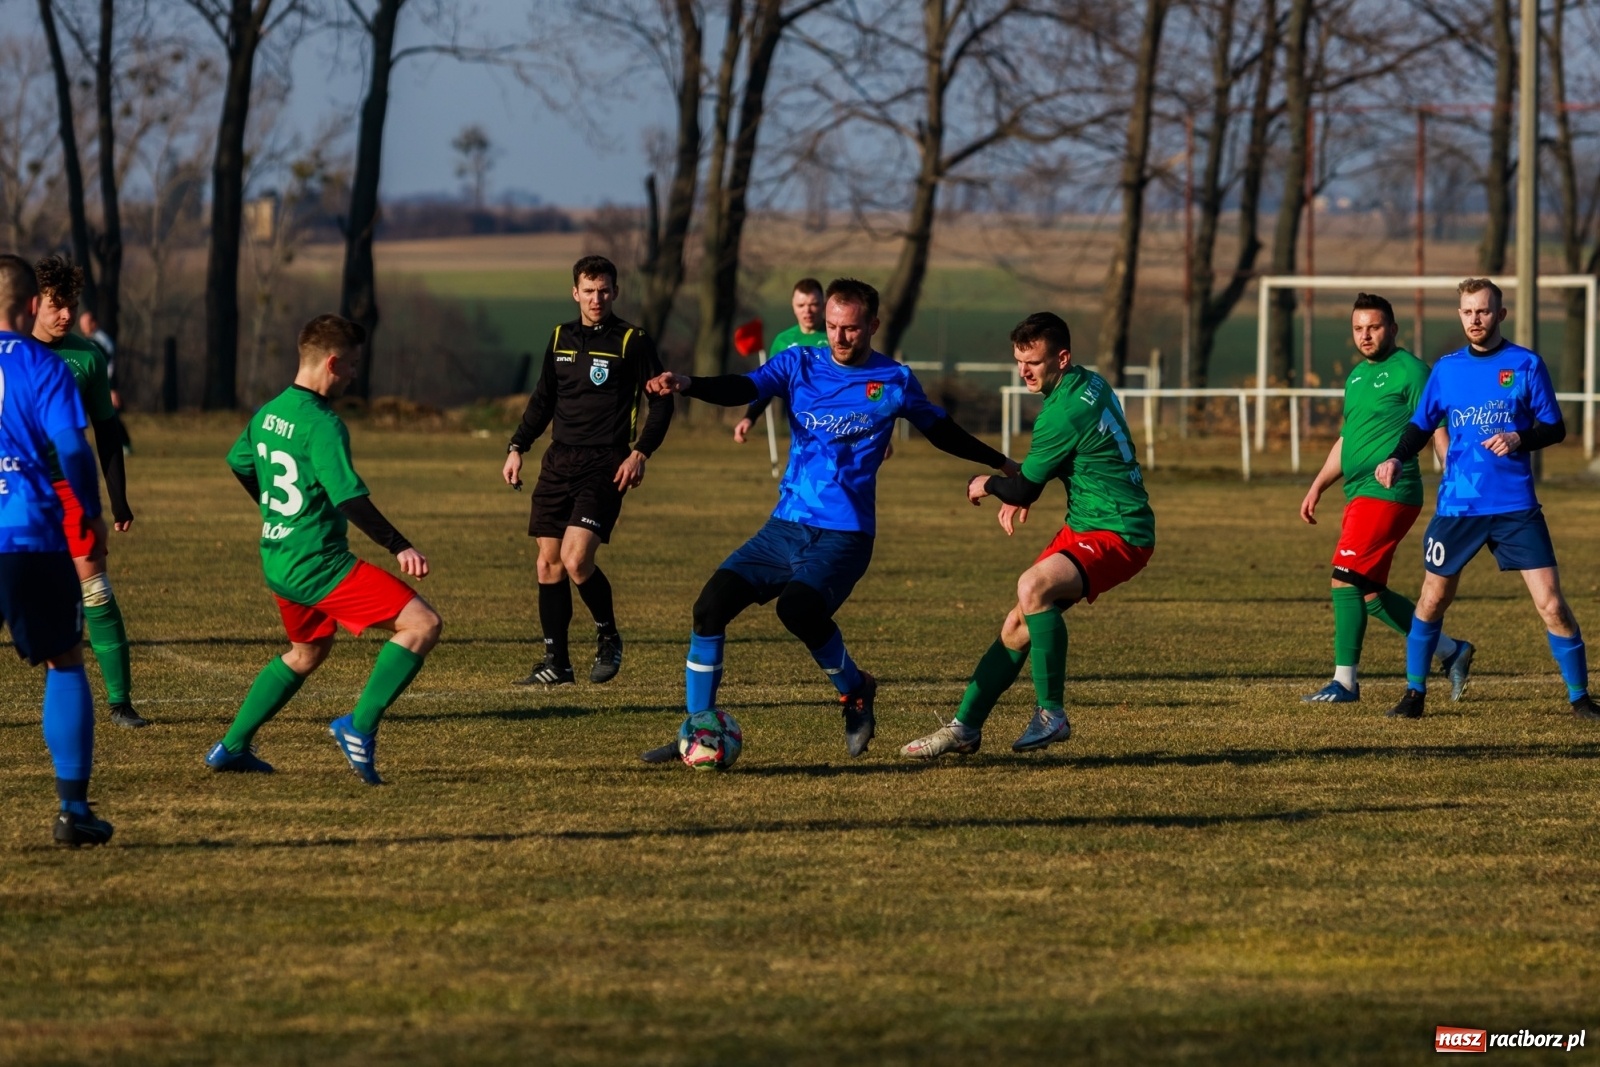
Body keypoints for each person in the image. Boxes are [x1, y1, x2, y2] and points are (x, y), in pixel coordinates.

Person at [639, 277, 1017, 762]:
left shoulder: (894, 380)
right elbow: (744, 386)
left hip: (846, 533)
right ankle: (697, 728)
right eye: (833, 326)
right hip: (785, 526)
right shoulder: (799, 362)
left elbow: (942, 431)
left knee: (797, 610)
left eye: (851, 328)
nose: (838, 337)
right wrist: (689, 383)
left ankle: (855, 690)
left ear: (873, 325)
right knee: (709, 607)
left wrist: (1000, 463)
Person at [899, 313, 1155, 759]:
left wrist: (988, 484)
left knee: (1032, 586)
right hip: (1087, 523)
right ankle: (965, 728)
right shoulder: (1089, 382)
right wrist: (1022, 488)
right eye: (1018, 361)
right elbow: (1065, 463)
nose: (1024, 371)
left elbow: (1022, 487)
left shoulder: (1062, 413)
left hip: (1120, 530)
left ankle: (1052, 714)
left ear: (1062, 357)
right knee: (1017, 625)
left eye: (1033, 362)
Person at [208, 314, 443, 784]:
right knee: (422, 624)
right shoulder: (323, 424)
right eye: (352, 364)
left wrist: (276, 511)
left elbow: (240, 462)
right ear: (332, 363)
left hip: (279, 557)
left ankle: (230, 748)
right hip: (317, 563)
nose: (355, 374)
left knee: (307, 652)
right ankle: (359, 727)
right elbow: (349, 499)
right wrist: (400, 546)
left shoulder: (268, 412)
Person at [1375, 278, 1595, 720]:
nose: (1475, 319)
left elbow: (1555, 428)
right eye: (1467, 311)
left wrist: (1518, 437)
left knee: (1552, 606)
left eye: (1483, 311)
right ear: (1460, 315)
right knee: (1432, 600)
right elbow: (1421, 425)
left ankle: (1580, 698)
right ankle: (1414, 694)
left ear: (1500, 314)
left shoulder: (1526, 364)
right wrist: (1397, 457)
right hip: (1459, 505)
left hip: (1515, 506)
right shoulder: (1447, 369)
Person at [503, 255, 673, 687]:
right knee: (548, 565)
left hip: (606, 463)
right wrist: (517, 447)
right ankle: (556, 664)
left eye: (604, 291)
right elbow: (543, 399)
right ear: (575, 292)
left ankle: (608, 637)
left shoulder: (632, 340)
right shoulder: (560, 336)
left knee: (576, 560)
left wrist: (640, 454)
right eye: (589, 291)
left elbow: (662, 402)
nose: (597, 299)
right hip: (558, 461)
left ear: (615, 292)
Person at [1299, 293, 1473, 704]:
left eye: (1374, 327)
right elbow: (1348, 439)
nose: (1365, 335)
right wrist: (1318, 484)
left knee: (1344, 576)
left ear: (1393, 329)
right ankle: (1451, 651)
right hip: (1358, 493)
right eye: (1358, 328)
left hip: (1390, 492)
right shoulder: (1356, 377)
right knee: (1370, 593)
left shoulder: (1412, 371)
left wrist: (1456, 483)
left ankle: (1344, 682)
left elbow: (1437, 428)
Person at [0, 253, 114, 845]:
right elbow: (72, 448)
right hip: (29, 535)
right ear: (29, 306)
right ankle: (73, 812)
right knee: (65, 659)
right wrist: (90, 511)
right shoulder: (43, 365)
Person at [31, 256, 143, 728]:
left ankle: (120, 703)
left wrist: (118, 498)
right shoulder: (8, 353)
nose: (66, 315)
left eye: (71, 305)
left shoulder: (88, 358)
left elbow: (107, 430)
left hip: (71, 489)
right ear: (33, 304)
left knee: (94, 589)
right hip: (17, 488)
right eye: (56, 305)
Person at [732, 277, 825, 444]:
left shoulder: (837, 336)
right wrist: (749, 417)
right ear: (793, 306)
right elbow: (768, 382)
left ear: (823, 305)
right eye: (801, 305)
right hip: (801, 426)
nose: (807, 311)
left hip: (837, 417)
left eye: (814, 304)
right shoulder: (783, 341)